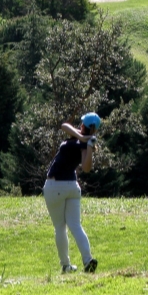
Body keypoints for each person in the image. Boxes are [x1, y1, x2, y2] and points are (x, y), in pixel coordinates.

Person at [43, 112, 101, 274]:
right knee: (75, 225)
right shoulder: (80, 138)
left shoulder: (85, 143)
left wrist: (89, 147)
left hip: (55, 185)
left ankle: (66, 265)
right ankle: (87, 259)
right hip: (72, 187)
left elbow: (86, 167)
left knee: (60, 227)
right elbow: (65, 126)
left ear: (84, 125)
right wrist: (84, 140)